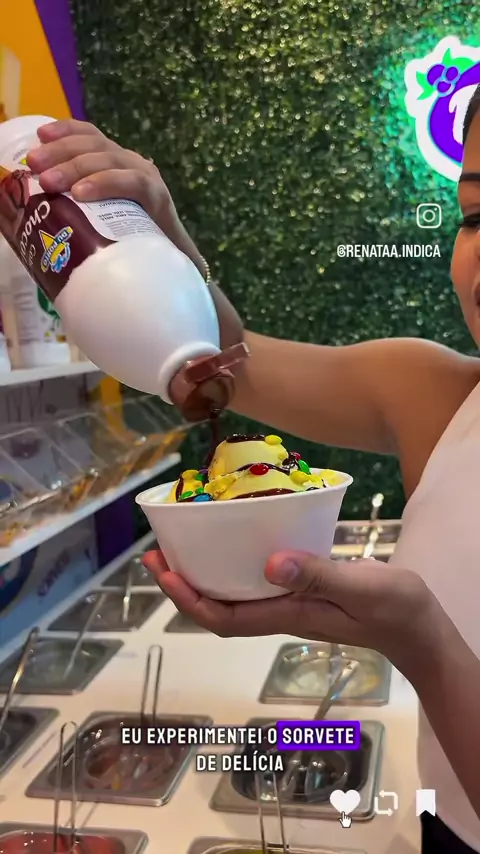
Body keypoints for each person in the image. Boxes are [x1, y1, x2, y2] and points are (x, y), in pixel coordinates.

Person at [24, 82, 480, 852]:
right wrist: (160, 242)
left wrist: (423, 644)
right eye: (476, 215)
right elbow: (224, 367)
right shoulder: (437, 395)